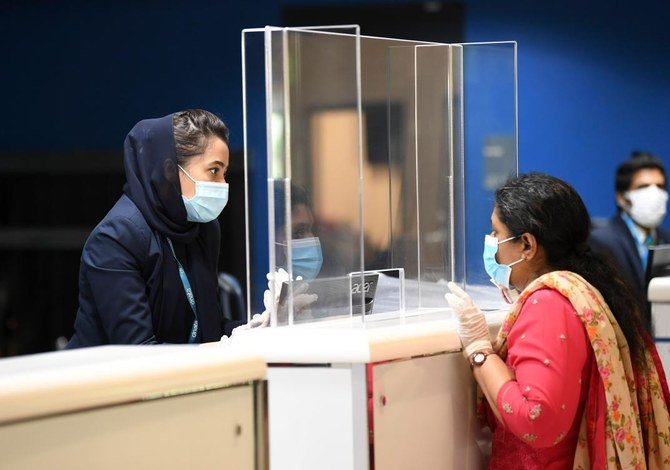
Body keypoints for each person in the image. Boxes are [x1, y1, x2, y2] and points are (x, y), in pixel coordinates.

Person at [445, 173, 670, 469]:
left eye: (496, 233)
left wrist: (480, 351)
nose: (491, 243)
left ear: (527, 244)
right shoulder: (588, 286)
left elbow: (536, 418)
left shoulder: (549, 302)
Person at [67, 109, 245, 347]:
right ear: (170, 170)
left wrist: (262, 329)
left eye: (225, 173)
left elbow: (208, 329)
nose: (223, 184)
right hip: (106, 380)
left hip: (182, 375)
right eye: (214, 171)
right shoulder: (115, 239)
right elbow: (137, 349)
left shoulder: (204, 229)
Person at [590, 151, 670, 301]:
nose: (655, 193)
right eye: (643, 187)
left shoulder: (667, 238)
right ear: (622, 197)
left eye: (660, 186)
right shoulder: (600, 239)